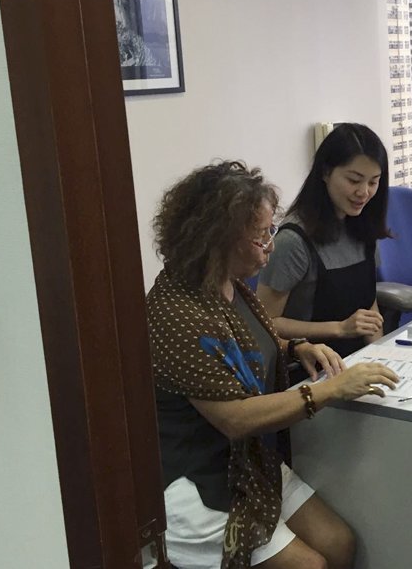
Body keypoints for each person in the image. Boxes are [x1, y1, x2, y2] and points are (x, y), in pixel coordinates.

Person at [147, 160, 398, 569]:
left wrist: (295, 347)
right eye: (261, 236)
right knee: (310, 565)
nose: (271, 245)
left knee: (339, 543)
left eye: (270, 231)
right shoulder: (176, 316)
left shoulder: (228, 284)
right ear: (220, 239)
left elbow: (243, 345)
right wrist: (329, 389)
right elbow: (235, 418)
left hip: (245, 461)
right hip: (197, 476)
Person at [257, 124, 389, 359]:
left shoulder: (363, 227)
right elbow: (266, 323)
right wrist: (339, 328)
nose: (364, 192)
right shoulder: (293, 241)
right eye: (354, 180)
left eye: (373, 182)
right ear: (326, 172)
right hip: (311, 364)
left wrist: (381, 355)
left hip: (358, 359)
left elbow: (369, 307)